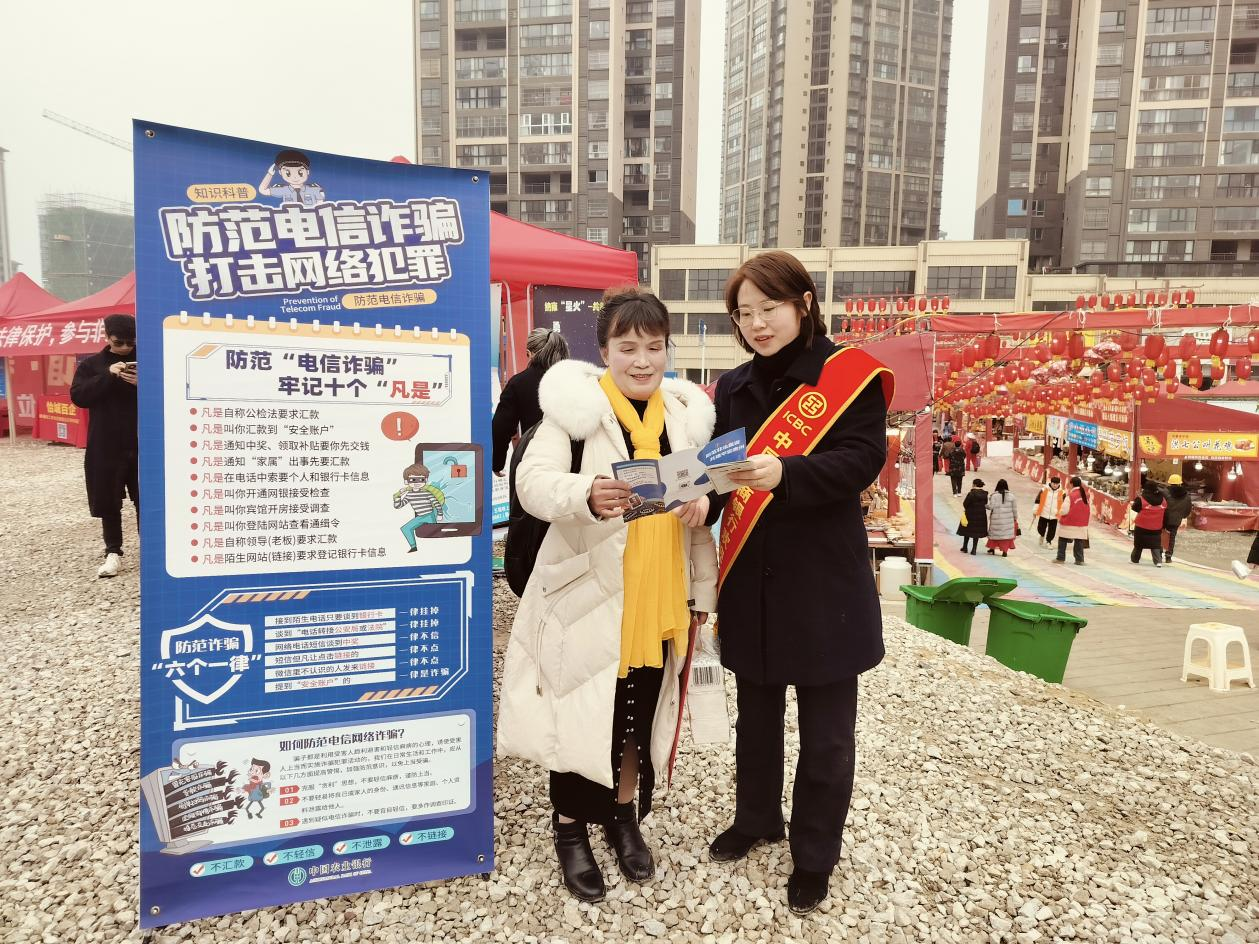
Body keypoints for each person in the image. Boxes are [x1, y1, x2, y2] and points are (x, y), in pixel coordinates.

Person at [497, 287, 716, 904]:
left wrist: (702, 507)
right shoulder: (575, 412)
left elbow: (698, 498)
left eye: (654, 346)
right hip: (590, 591)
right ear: (605, 350)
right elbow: (532, 482)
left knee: (637, 710)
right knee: (581, 707)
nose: (642, 360)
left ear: (667, 349)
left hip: (659, 590)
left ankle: (623, 815)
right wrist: (585, 494)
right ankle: (570, 827)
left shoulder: (684, 416)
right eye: (628, 346)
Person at [702, 250, 892, 916]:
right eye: (743, 313)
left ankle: (814, 855)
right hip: (751, 580)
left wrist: (787, 472)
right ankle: (756, 818)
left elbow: (861, 459)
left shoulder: (849, 376)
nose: (756, 324)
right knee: (755, 720)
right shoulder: (731, 387)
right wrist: (701, 501)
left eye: (769, 308)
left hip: (823, 586)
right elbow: (721, 469)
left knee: (827, 736)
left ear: (803, 303)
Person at [69, 314, 139, 579]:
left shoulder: (150, 360)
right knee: (109, 499)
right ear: (107, 337)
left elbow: (173, 391)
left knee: (147, 499)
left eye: (130, 342)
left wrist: (145, 384)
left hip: (143, 442)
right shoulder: (92, 365)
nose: (125, 347)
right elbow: (79, 397)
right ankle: (113, 551)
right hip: (105, 443)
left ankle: (151, 550)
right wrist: (108, 375)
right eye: (119, 342)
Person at [491, 327, 571, 476]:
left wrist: (497, 463)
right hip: (574, 464)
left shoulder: (518, 383)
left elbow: (500, 428)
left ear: (529, 354)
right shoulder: (576, 379)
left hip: (536, 464)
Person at [1055, 477, 1090, 565]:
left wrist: (1059, 512)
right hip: (1081, 523)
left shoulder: (1070, 496)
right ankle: (1079, 560)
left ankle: (1060, 558)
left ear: (1071, 484)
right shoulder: (1085, 495)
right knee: (1079, 541)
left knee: (1062, 539)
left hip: (1069, 522)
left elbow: (1064, 510)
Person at [1130, 484, 1167, 566]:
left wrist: (1138, 498)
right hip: (1156, 527)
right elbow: (1166, 511)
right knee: (1155, 545)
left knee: (1138, 544)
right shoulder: (1163, 500)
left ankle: (1134, 559)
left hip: (1141, 526)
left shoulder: (1141, 499)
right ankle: (1158, 561)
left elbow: (1134, 508)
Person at [1163, 474, 1193, 564]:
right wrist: (1182, 516)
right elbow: (1188, 509)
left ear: (1170, 483)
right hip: (1176, 520)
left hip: (1164, 518)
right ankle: (1168, 556)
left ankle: (1159, 554)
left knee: (1162, 536)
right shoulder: (1186, 495)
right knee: (1172, 538)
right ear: (1180, 483)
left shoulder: (1164, 492)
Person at [985, 479, 1019, 557]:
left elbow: (991, 507)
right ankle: (1004, 552)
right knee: (1005, 536)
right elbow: (1014, 509)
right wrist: (1015, 518)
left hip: (996, 519)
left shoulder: (994, 496)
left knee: (994, 534)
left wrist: (985, 506)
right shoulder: (1012, 496)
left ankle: (992, 549)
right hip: (1008, 520)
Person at [958, 479, 989, 554]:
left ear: (974, 484)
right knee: (976, 533)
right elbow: (985, 503)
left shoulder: (971, 494)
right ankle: (974, 549)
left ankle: (965, 547)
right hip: (981, 515)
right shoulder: (984, 494)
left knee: (967, 531)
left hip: (970, 514)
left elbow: (965, 504)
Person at [1033, 476, 1066, 547]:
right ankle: (1041, 535)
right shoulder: (1044, 490)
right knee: (1040, 528)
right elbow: (1037, 501)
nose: (1055, 485)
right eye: (1053, 483)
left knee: (1052, 530)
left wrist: (1062, 513)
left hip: (1054, 515)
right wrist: (1035, 511)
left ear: (1059, 484)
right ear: (1051, 483)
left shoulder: (1062, 493)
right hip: (1044, 513)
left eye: (1056, 484)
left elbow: (1064, 504)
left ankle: (1048, 541)